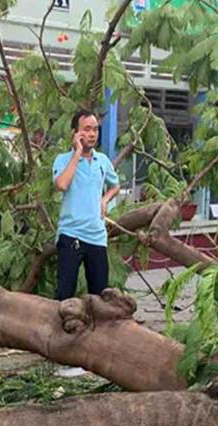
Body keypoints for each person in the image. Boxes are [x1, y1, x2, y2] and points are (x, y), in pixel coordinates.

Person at [52, 110, 121, 300]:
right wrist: (77, 154)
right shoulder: (63, 160)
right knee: (64, 295)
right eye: (87, 129)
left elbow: (115, 186)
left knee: (100, 298)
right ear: (75, 133)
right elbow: (62, 185)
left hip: (97, 237)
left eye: (95, 130)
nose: (92, 134)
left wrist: (105, 200)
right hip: (70, 235)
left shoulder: (103, 161)